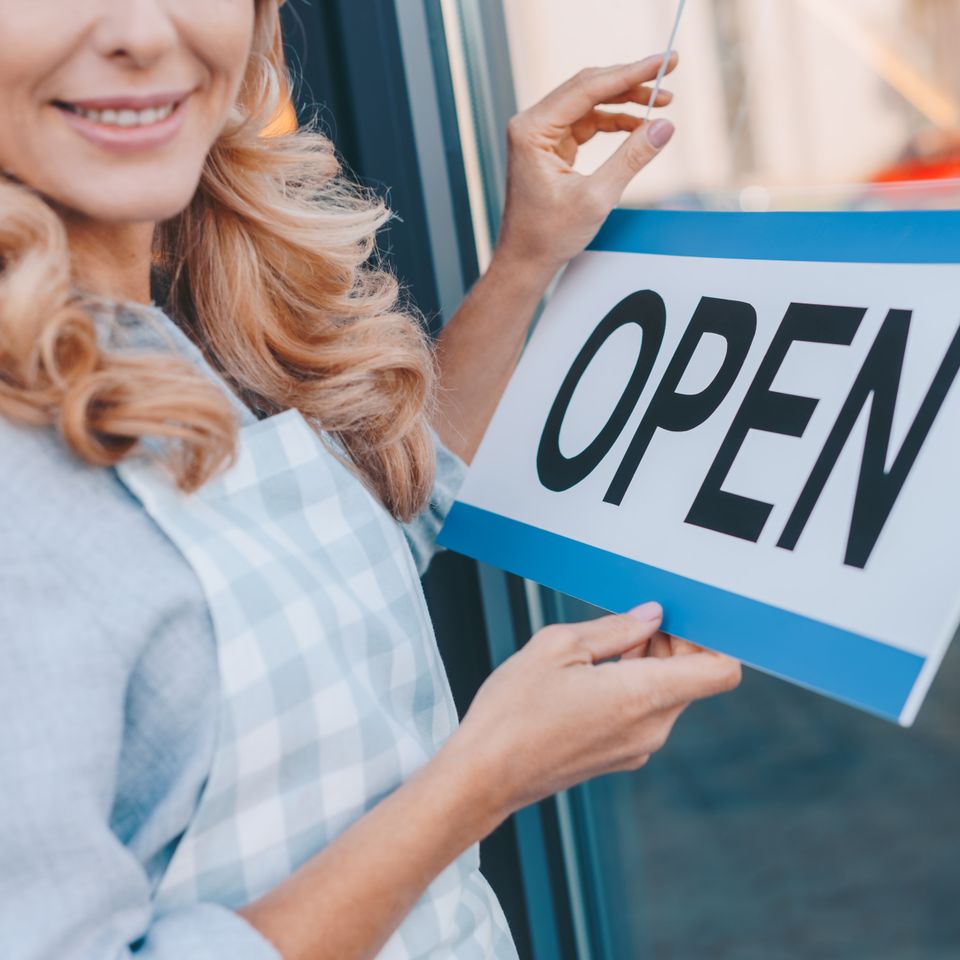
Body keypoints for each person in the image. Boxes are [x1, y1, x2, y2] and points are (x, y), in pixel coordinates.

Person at [0, 2, 741, 958]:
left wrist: (527, 258)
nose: (144, 34)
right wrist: (484, 777)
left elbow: (362, 544)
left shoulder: (171, 310)